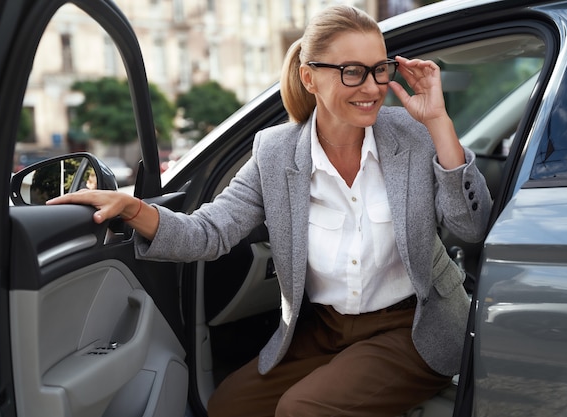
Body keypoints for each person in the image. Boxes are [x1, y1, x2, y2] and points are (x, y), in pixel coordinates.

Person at [48, 5, 492, 416]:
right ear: (310, 77)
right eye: (353, 72)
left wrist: (438, 122)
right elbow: (211, 230)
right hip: (324, 330)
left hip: (413, 328)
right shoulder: (275, 153)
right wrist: (134, 209)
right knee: (228, 406)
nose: (374, 87)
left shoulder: (412, 134)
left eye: (380, 69)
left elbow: (470, 226)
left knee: (302, 409)